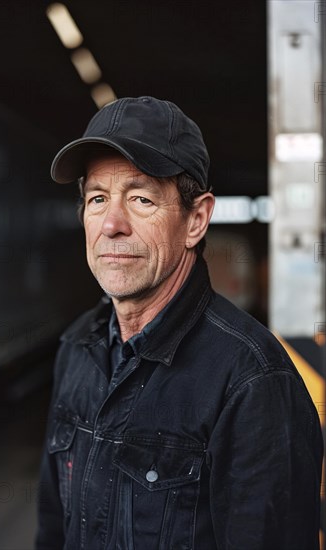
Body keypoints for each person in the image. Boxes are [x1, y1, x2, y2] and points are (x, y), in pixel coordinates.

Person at [35, 96, 323, 550]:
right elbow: (53, 528)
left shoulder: (252, 382)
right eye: (97, 198)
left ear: (196, 220)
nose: (111, 223)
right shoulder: (77, 348)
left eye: (141, 199)